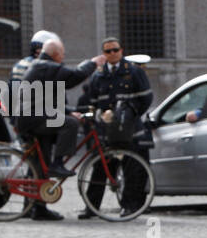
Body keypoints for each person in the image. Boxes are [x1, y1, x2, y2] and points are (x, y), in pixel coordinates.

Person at [19, 37, 105, 221]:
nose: (63, 58)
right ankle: (58, 164)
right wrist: (92, 63)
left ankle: (37, 208)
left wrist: (70, 111)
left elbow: (48, 100)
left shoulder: (42, 67)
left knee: (39, 166)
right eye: (63, 54)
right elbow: (74, 77)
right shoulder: (45, 66)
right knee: (70, 124)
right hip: (34, 120)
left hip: (35, 118)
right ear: (56, 55)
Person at [75, 37, 154, 218]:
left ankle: (129, 206)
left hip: (130, 129)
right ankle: (92, 206)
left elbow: (145, 98)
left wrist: (129, 114)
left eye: (115, 50)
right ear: (104, 54)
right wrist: (98, 115)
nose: (112, 54)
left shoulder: (133, 71)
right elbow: (92, 101)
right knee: (101, 167)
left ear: (121, 50)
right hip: (106, 130)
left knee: (131, 169)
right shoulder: (99, 75)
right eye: (108, 51)